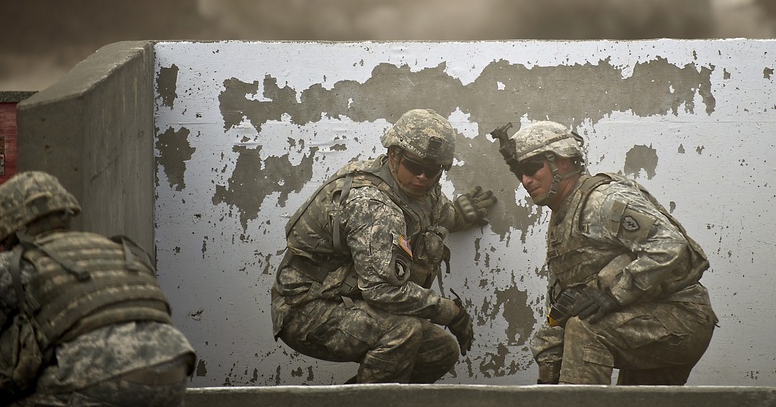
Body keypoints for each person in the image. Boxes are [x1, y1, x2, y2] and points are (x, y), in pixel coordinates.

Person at [271, 108, 497, 383]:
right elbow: (384, 292)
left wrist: (459, 217)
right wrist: (451, 312)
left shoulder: (420, 190)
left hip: (352, 301)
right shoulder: (373, 205)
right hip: (306, 309)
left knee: (441, 351)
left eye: (432, 170)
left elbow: (435, 211)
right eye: (414, 166)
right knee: (404, 331)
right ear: (394, 155)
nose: (423, 177)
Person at [498, 120, 717, 385]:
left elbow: (668, 244)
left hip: (680, 317)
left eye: (532, 168)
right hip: (641, 320)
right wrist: (548, 362)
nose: (525, 180)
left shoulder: (602, 200)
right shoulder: (563, 218)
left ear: (563, 162)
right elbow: (564, 300)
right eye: (519, 172)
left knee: (585, 328)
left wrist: (614, 294)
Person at [0, 171, 196, 406]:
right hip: (173, 371)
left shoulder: (15, 263)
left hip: (94, 383)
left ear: (8, 226)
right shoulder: (120, 250)